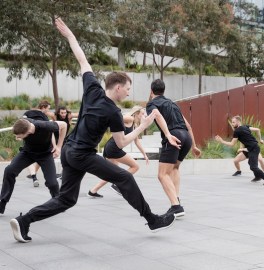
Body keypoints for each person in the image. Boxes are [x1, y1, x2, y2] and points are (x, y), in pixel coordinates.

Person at [9, 18, 178, 243]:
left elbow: (82, 59)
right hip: (82, 154)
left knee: (67, 199)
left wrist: (70, 36)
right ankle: (152, 219)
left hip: (69, 150)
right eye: (127, 89)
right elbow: (121, 143)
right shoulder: (113, 112)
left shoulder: (92, 89)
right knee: (124, 178)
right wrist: (144, 126)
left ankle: (24, 221)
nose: (128, 93)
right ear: (118, 88)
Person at [146, 79, 201, 218]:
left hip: (174, 136)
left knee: (162, 174)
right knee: (175, 168)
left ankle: (176, 207)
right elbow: (188, 125)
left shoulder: (152, 104)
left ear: (151, 91)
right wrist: (194, 145)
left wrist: (168, 134)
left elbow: (157, 115)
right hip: (186, 137)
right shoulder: (173, 103)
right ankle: (176, 199)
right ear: (164, 91)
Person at [0, 118, 66, 215]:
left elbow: (64, 125)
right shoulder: (24, 123)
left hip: (45, 155)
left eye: (19, 136)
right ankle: (2, 202)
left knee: (52, 183)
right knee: (9, 170)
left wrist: (59, 146)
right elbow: (19, 126)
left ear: (28, 131)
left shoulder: (45, 125)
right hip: (27, 153)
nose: (17, 138)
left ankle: (58, 203)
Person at [88, 106, 149, 198]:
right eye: (142, 113)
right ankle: (118, 184)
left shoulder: (135, 125)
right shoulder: (130, 118)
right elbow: (115, 116)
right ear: (136, 113)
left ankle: (93, 191)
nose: (144, 115)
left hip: (112, 147)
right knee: (135, 166)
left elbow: (136, 141)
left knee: (112, 173)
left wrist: (144, 154)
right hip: (114, 148)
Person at [215, 116, 264, 185]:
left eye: (233, 122)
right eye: (232, 122)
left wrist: (222, 141)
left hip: (253, 148)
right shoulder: (246, 127)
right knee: (250, 164)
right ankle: (257, 176)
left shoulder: (237, 131)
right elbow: (258, 130)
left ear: (238, 122)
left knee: (253, 166)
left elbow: (232, 144)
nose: (232, 124)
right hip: (250, 148)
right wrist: (260, 139)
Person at [25, 100, 53, 187]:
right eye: (48, 109)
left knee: (33, 159)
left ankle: (34, 176)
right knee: (32, 158)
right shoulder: (43, 117)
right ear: (43, 107)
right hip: (34, 142)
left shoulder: (40, 115)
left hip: (35, 142)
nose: (48, 111)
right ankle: (34, 177)